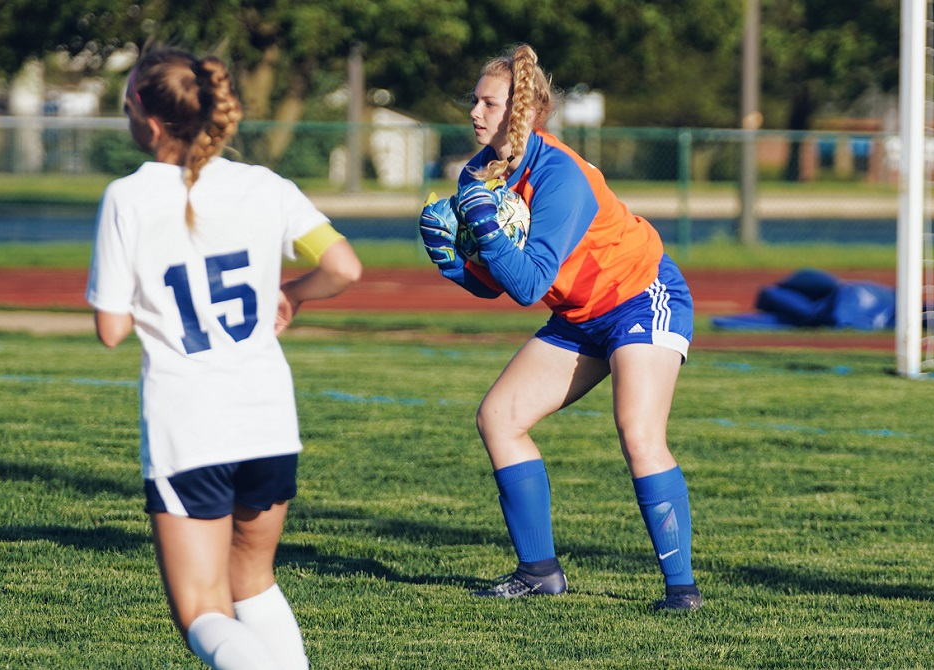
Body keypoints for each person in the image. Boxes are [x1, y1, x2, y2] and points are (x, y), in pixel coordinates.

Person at [87, 48, 362, 669]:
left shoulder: (127, 198)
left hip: (190, 426)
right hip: (269, 419)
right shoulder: (265, 185)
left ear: (147, 117)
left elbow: (110, 329)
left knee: (203, 610)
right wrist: (290, 293)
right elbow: (344, 266)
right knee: (253, 582)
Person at [419, 43, 702, 610]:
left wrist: (485, 232)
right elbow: (496, 282)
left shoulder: (560, 176)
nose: (474, 112)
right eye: (473, 100)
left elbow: (527, 285)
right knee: (499, 417)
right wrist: (455, 263)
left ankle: (682, 590)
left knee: (638, 433)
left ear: (522, 112)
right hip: (579, 312)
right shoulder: (480, 171)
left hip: (640, 296)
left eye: (489, 103)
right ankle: (539, 571)